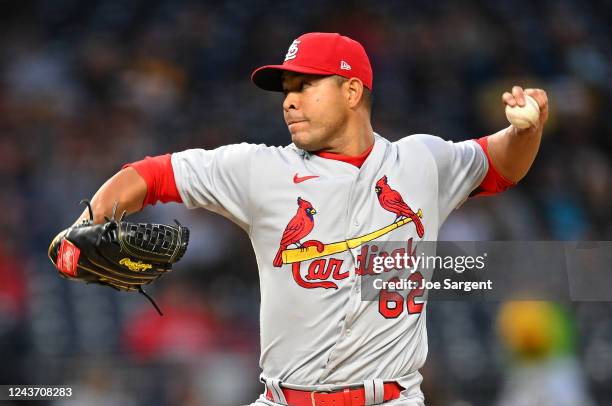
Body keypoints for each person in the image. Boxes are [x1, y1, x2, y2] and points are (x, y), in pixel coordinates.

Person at [69, 32, 548, 405]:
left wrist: (527, 127)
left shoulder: (422, 161)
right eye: (286, 89)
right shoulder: (260, 169)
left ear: (353, 90)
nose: (289, 100)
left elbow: (500, 162)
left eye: (306, 85)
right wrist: (84, 225)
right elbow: (151, 174)